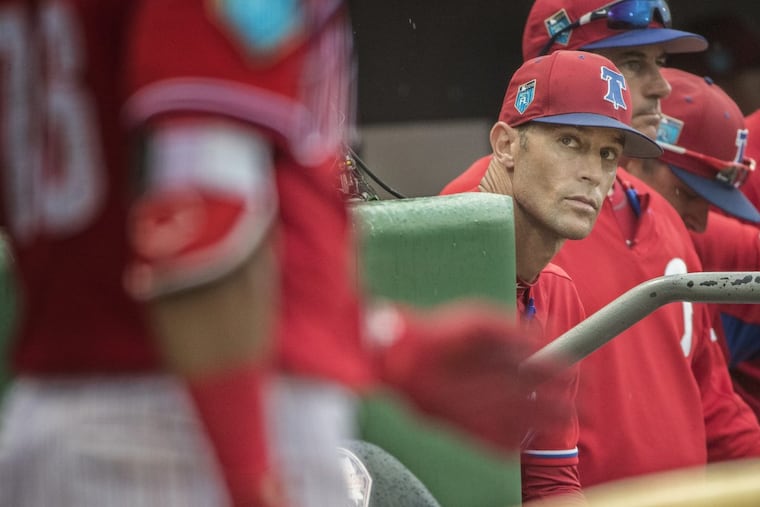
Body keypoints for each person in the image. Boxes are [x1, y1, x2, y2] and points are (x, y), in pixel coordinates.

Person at [0, 2, 561, 506]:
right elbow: (198, 233)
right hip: (187, 436)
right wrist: (247, 478)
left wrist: (389, 345)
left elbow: (134, 256)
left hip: (86, 421)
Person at [522, 0, 760, 489]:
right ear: (556, 68)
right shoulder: (487, 213)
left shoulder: (662, 213)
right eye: (633, 64)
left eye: (660, 62)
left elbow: (712, 403)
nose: (662, 86)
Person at [441, 49, 662, 502]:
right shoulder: (435, 262)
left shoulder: (557, 294)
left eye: (607, 154)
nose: (593, 175)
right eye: (569, 142)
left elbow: (548, 485)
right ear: (506, 145)